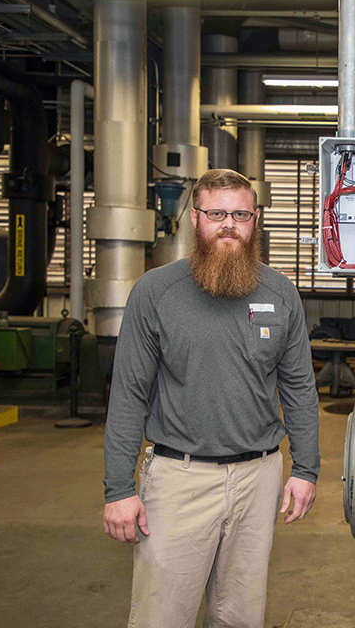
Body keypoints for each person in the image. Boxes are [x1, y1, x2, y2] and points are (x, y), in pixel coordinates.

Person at [102, 168, 320, 628]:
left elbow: (299, 387)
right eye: (216, 213)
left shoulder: (280, 293)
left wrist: (306, 468)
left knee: (239, 616)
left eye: (240, 214)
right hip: (179, 479)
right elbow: (128, 395)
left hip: (258, 479)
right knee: (162, 616)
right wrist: (119, 489)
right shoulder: (156, 292)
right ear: (195, 219)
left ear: (255, 219)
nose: (228, 224)